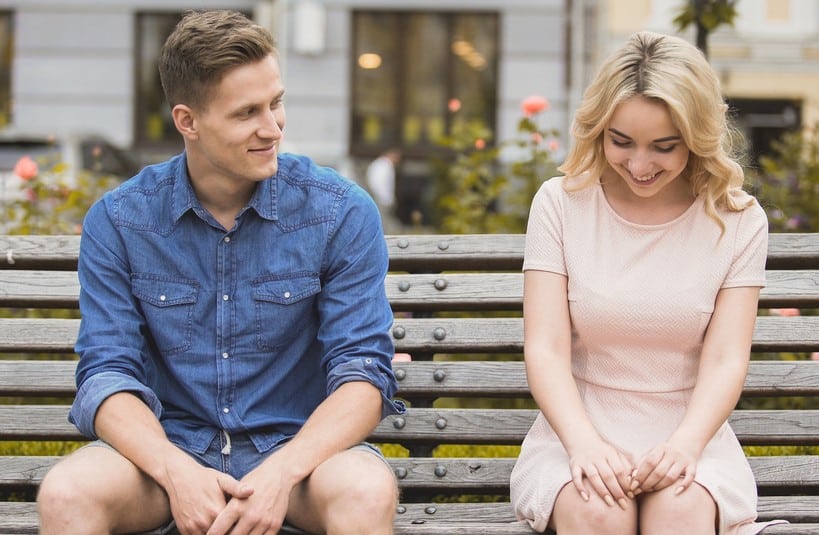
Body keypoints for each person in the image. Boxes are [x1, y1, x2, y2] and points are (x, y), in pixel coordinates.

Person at [36, 10, 403, 535]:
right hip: (168, 455)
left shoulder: (339, 211)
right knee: (68, 494)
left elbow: (363, 372)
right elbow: (107, 374)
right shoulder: (121, 220)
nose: (272, 128)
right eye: (246, 113)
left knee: (365, 494)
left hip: (302, 458)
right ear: (188, 121)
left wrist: (282, 471)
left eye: (276, 103)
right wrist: (174, 469)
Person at [509, 31, 785, 534]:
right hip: (576, 433)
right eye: (621, 142)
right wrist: (584, 444)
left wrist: (685, 445)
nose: (639, 165)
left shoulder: (738, 220)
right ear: (599, 130)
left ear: (697, 137)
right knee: (597, 512)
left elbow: (726, 359)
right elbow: (545, 349)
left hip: (691, 436)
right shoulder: (561, 203)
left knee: (680, 515)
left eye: (663, 147)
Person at [365, 148, 402, 233]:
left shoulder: (381, 165)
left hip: (381, 199)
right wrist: (385, 199)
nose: (397, 161)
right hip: (381, 201)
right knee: (384, 225)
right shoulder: (383, 166)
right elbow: (378, 184)